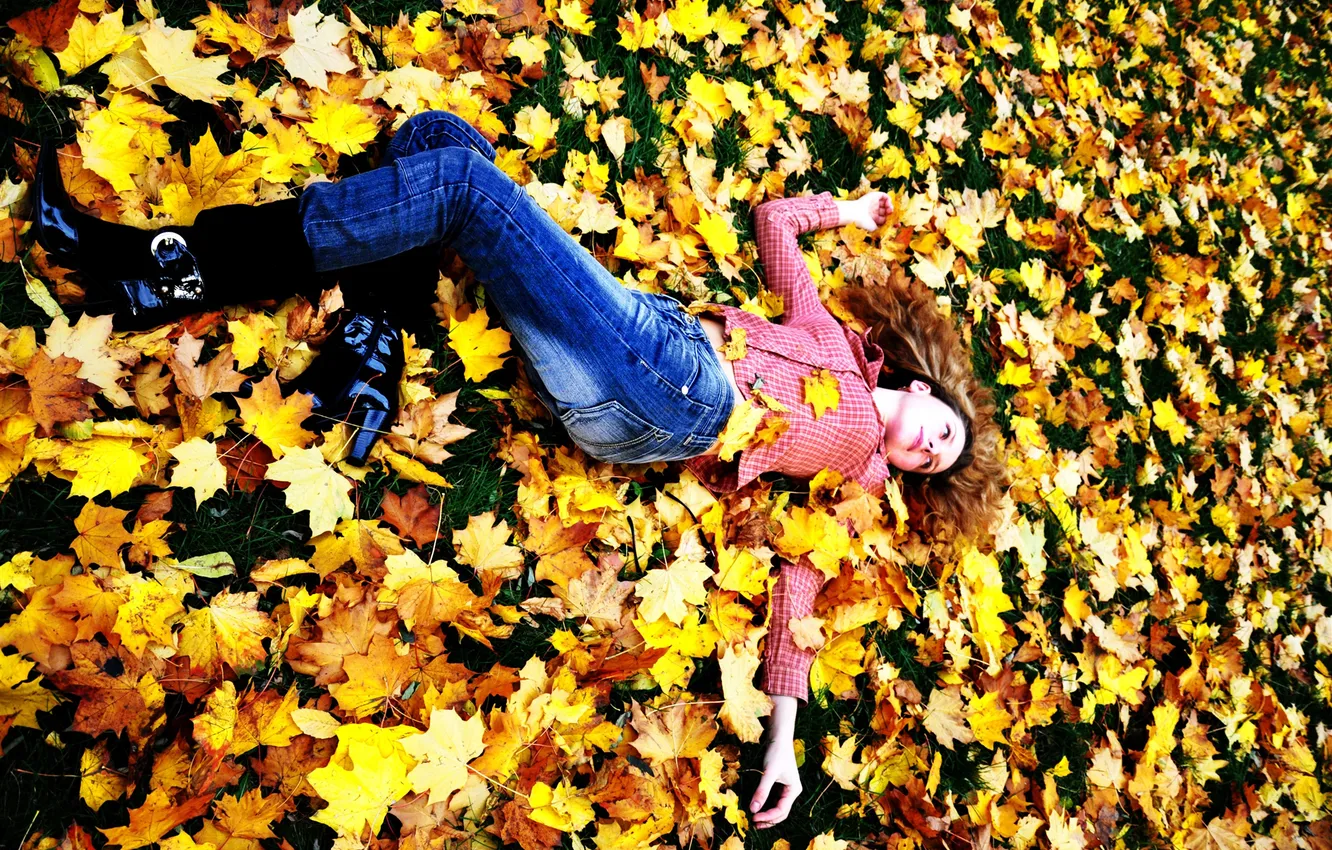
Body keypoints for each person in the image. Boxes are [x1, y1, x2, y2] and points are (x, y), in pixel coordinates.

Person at [32, 109, 1003, 828]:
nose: (929, 447)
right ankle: (371, 344)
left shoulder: (860, 479)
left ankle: (175, 265)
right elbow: (773, 223)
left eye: (936, 462)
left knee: (456, 186)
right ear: (925, 389)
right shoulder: (829, 333)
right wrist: (851, 206)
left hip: (679, 394)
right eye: (940, 429)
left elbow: (802, 590)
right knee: (436, 136)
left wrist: (786, 738)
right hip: (640, 331)